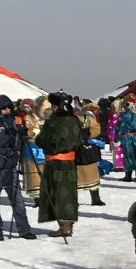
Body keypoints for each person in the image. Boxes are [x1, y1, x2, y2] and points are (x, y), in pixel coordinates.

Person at [0, 95, 35, 241]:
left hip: (10, 164)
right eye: (3, 107)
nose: (7, 110)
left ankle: (24, 229)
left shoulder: (13, 122)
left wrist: (21, 136)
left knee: (17, 199)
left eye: (9, 107)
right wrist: (3, 151)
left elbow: (16, 142)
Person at [35, 95, 85, 239]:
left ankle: (64, 227)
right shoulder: (74, 120)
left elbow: (41, 140)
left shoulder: (53, 122)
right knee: (69, 193)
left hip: (55, 164)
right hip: (70, 163)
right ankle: (68, 224)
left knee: (58, 193)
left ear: (55, 106)